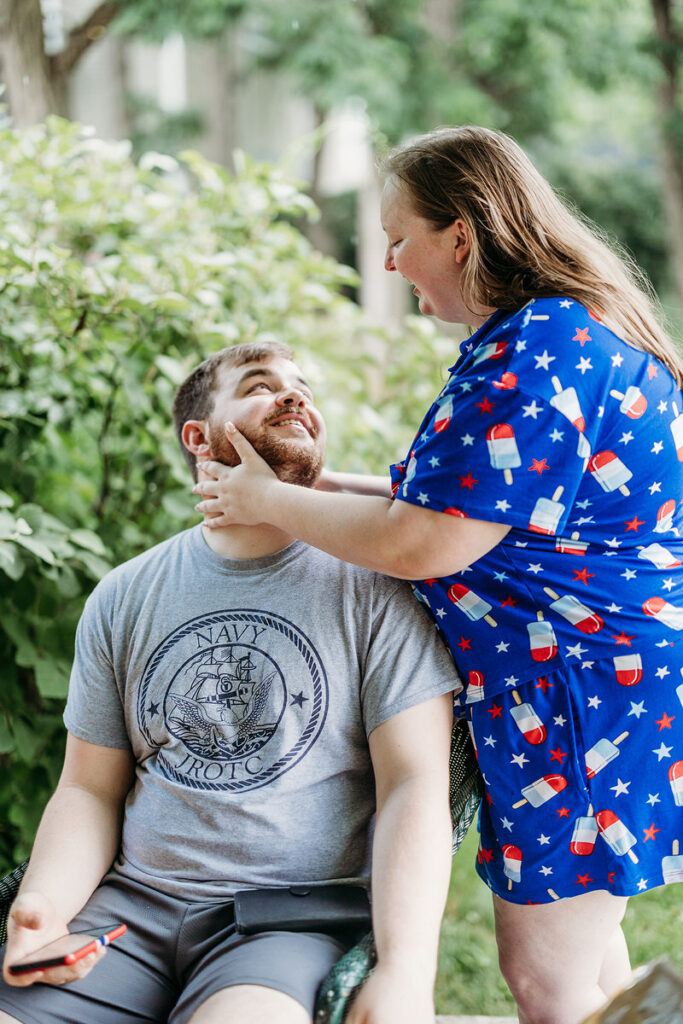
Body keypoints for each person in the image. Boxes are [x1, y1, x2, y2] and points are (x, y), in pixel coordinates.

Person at [191, 126, 683, 1024]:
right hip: (580, 693)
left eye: (397, 235)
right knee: (594, 973)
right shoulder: (544, 335)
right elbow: (465, 502)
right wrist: (315, 485)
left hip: (575, 699)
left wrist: (271, 504)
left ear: (461, 233)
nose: (386, 261)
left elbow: (425, 544)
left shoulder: (536, 353)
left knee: (548, 983)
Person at [0, 340, 458, 1024]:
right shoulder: (126, 595)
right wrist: (41, 913)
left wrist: (403, 971)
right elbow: (89, 789)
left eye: (303, 386)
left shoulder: (375, 588)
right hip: (127, 913)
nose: (293, 394)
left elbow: (414, 787)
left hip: (282, 927)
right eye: (259, 384)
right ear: (197, 436)